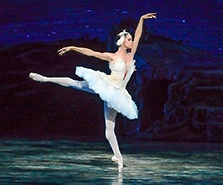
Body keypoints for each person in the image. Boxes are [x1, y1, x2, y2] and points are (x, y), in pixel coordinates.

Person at [29, 13, 156, 172]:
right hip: (107, 85)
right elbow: (91, 52)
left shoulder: (131, 56)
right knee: (76, 84)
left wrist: (142, 20)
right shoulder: (111, 56)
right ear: (122, 41)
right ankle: (45, 79)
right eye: (128, 39)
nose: (131, 41)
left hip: (118, 94)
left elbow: (138, 35)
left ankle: (118, 156)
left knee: (110, 128)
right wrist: (73, 47)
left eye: (131, 39)